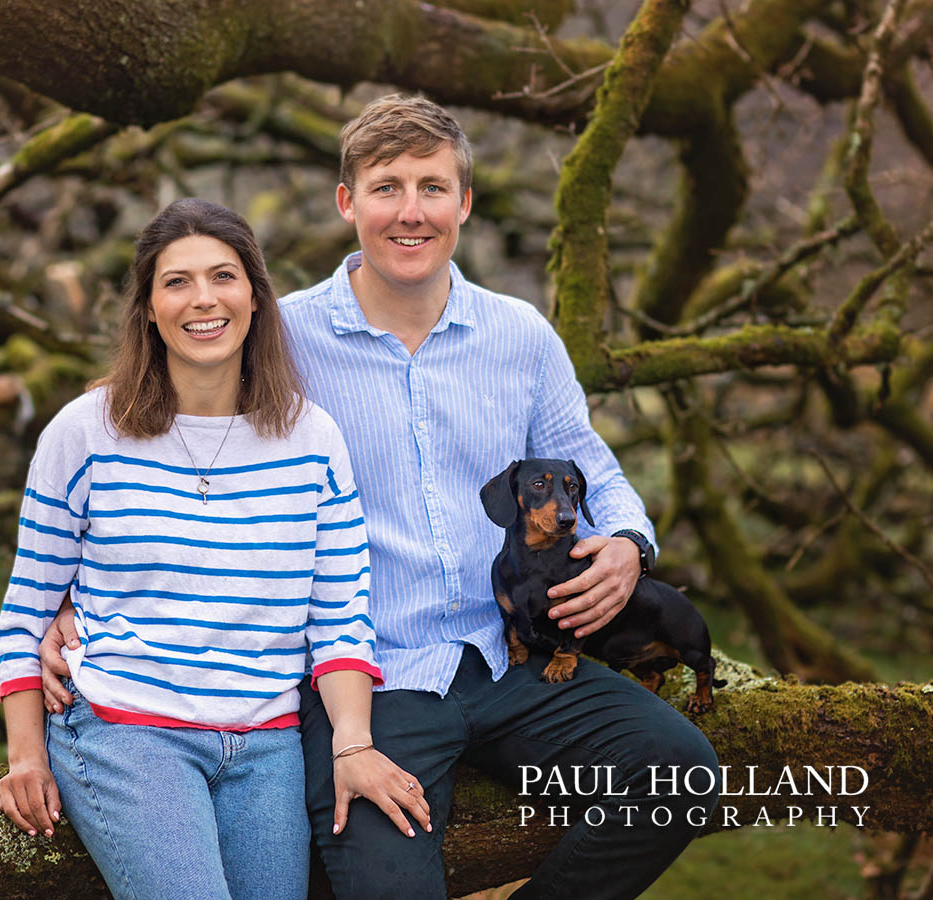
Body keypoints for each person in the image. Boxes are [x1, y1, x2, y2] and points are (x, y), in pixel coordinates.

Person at [41, 98, 720, 899]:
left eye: (432, 187)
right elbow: (141, 417)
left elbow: (593, 469)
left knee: (682, 774)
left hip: (515, 658)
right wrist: (67, 598)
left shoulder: (521, 335)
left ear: (464, 203)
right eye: (386, 186)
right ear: (347, 203)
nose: (410, 211)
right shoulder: (280, 338)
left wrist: (628, 542)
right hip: (365, 686)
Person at [0, 198, 430, 900]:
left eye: (224, 276)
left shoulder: (312, 440)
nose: (204, 299)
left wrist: (354, 742)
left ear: (255, 297)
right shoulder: (85, 433)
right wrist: (24, 756)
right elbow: (24, 615)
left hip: (267, 746)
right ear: (148, 309)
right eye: (177, 282)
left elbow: (340, 617)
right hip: (124, 730)